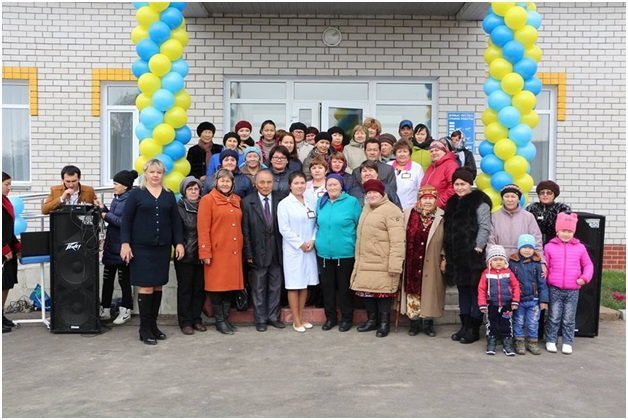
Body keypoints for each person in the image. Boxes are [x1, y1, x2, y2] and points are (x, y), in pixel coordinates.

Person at [120, 159, 184, 345]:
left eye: (159, 172)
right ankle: (144, 328)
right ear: (146, 173)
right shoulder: (136, 194)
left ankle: (154, 326)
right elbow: (126, 220)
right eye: (152, 172)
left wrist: (179, 243)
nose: (155, 175)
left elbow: (175, 222)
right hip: (141, 248)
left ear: (163, 174)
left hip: (162, 248)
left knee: (158, 286)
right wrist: (125, 243)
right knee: (146, 286)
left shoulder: (168, 195)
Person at [443, 168, 492, 345]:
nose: (459, 187)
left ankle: (474, 328)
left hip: (472, 256)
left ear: (470, 184)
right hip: (456, 256)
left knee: (474, 291)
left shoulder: (480, 202)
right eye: (456, 184)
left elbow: (485, 227)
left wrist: (477, 248)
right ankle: (464, 326)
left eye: (462, 184)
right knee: (462, 291)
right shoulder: (452, 202)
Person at [351, 179, 405, 338]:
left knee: (383, 294)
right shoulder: (366, 208)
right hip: (366, 260)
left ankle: (384, 323)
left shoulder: (392, 210)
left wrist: (395, 264)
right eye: (369, 192)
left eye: (375, 192)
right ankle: (372, 320)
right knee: (368, 291)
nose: (372, 195)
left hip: (383, 261)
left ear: (382, 193)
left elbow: (398, 240)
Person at [197, 169, 245, 335]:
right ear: (216, 182)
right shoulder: (207, 200)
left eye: (228, 181)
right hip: (217, 251)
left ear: (232, 183)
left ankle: (225, 318)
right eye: (222, 180)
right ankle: (219, 320)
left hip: (234, 251)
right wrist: (205, 252)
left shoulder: (237, 199)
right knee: (216, 286)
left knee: (231, 285)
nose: (225, 184)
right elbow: (203, 228)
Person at [315, 174, 362, 332]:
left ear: (342, 186)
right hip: (324, 253)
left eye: (335, 184)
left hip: (345, 253)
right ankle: (330, 318)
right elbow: (317, 224)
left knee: (344, 289)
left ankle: (347, 318)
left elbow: (359, 225)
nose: (332, 187)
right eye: (329, 185)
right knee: (327, 288)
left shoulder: (352, 202)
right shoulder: (320, 202)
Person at [242, 170, 286, 332]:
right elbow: (245, 230)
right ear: (255, 183)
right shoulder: (247, 202)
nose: (266, 186)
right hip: (257, 250)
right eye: (262, 182)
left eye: (269, 182)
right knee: (259, 287)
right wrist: (248, 253)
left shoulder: (281, 199)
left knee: (276, 285)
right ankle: (260, 319)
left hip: (277, 249)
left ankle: (273, 317)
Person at [544, 213, 594, 355]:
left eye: (569, 231)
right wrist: (545, 281)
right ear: (557, 231)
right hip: (554, 288)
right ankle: (551, 340)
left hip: (573, 290)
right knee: (553, 316)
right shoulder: (549, 247)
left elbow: (588, 265)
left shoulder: (580, 248)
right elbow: (545, 266)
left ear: (573, 232)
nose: (566, 234)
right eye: (563, 231)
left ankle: (567, 342)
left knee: (569, 318)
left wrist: (584, 278)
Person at [401, 185, 445, 337]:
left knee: (430, 292)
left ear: (436, 200)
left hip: (432, 260)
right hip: (412, 261)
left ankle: (428, 323)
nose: (427, 201)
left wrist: (444, 257)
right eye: (424, 198)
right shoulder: (408, 214)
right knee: (413, 291)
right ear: (419, 200)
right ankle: (414, 323)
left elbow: (446, 240)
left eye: (431, 198)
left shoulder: (442, 217)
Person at [277, 171, 319, 333]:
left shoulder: (310, 202)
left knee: (305, 284)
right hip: (294, 250)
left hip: (309, 248)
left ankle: (301, 317)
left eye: (302, 183)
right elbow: (284, 228)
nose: (300, 186)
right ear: (290, 185)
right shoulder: (284, 204)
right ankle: (296, 320)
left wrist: (313, 240)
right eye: (296, 183)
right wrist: (300, 243)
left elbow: (316, 223)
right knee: (294, 285)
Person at [95, 169, 138, 325]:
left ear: (125, 186)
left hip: (123, 246)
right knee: (107, 279)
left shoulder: (130, 200)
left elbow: (123, 222)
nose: (113, 186)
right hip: (111, 245)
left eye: (116, 183)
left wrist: (106, 215)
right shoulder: (117, 199)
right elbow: (113, 218)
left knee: (123, 280)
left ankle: (126, 309)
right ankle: (105, 308)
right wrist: (103, 208)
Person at [174, 176, 206, 335]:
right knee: (185, 289)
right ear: (184, 191)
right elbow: (176, 230)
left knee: (199, 289)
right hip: (185, 253)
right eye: (190, 189)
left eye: (196, 188)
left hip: (202, 253)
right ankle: (185, 321)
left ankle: (196, 319)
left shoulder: (205, 205)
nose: (193, 192)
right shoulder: (178, 207)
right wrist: (179, 244)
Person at [509, 234, 549, 355]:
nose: (527, 250)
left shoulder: (537, 263)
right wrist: (511, 298)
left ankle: (532, 342)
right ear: (519, 248)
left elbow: (542, 283)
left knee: (533, 323)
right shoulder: (513, 262)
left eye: (530, 247)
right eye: (524, 247)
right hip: (519, 300)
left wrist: (543, 300)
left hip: (534, 300)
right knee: (518, 321)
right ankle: (519, 342)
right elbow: (509, 282)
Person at [478, 245, 521, 356]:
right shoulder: (486, 273)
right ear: (490, 262)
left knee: (506, 324)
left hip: (506, 305)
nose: (498, 262)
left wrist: (515, 301)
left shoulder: (509, 272)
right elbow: (481, 289)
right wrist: (482, 304)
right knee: (492, 324)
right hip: (492, 304)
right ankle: (491, 343)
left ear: (505, 261)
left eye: (501, 259)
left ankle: (507, 345)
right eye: (495, 260)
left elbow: (516, 286)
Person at [488, 184, 545, 261]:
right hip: (500, 261)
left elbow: (537, 241)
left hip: (523, 261)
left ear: (518, 199)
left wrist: (541, 261)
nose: (510, 200)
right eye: (506, 196)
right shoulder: (494, 217)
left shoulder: (528, 217)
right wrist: (491, 259)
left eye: (513, 196)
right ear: (502, 199)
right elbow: (490, 242)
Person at [2, 172, 21, 333]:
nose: (9, 188)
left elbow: (8, 228)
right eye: (6, 184)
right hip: (3, 250)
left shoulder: (5, 202)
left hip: (8, 248)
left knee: (6, 284)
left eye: (10, 184)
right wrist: (4, 248)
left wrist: (17, 246)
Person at [526, 180, 572, 244]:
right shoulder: (531, 208)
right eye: (542, 193)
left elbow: (566, 229)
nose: (545, 195)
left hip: (556, 244)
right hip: (534, 244)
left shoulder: (562, 208)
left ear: (554, 195)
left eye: (549, 193)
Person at [420, 138, 458, 209]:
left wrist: (440, 202)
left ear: (444, 151)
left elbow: (453, 187)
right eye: (431, 151)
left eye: (437, 150)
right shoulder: (431, 167)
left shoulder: (450, 165)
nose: (434, 153)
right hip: (428, 207)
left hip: (443, 209)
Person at [389, 139, 424, 210]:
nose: (402, 154)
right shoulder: (388, 166)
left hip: (410, 208)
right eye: (399, 151)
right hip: (390, 208)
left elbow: (421, 189)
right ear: (395, 153)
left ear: (410, 153)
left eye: (405, 151)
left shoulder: (417, 168)